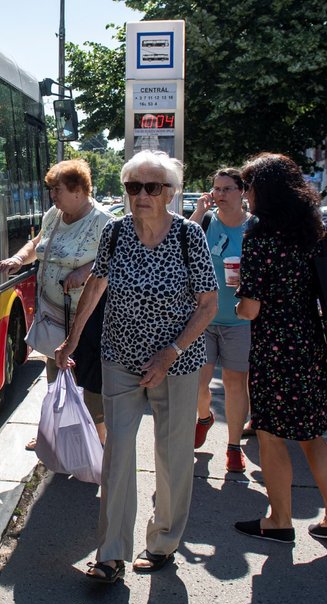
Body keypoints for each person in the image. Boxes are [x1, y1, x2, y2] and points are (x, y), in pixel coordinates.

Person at [56, 150, 217, 582]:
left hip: (176, 363)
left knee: (172, 456)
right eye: (133, 187)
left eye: (152, 187)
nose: (141, 195)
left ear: (169, 193)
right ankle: (110, 554)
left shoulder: (188, 236)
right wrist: (70, 341)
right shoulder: (115, 233)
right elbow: (95, 286)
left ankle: (163, 541)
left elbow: (207, 305)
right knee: (118, 453)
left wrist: (172, 352)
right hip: (120, 357)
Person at [233, 152, 327, 543]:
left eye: (247, 185)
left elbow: (250, 309)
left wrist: (238, 299)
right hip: (310, 343)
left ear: (262, 190)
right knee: (313, 434)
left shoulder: (259, 237)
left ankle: (279, 519)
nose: (245, 194)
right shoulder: (314, 232)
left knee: (270, 434)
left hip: (273, 347)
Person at [0, 159, 112, 448]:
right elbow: (37, 244)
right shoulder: (55, 214)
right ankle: (54, 432)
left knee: (87, 381)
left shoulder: (103, 221)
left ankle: (97, 444)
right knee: (55, 377)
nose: (52, 195)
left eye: (56, 189)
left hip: (86, 319)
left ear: (78, 190)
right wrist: (18, 259)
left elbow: (116, 261)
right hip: (53, 314)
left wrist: (84, 272)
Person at [189, 168, 252, 472]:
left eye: (227, 189)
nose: (221, 195)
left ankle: (233, 446)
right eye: (216, 189)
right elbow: (177, 245)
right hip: (204, 317)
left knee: (235, 383)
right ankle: (204, 417)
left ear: (242, 191)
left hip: (240, 319)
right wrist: (199, 210)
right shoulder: (205, 222)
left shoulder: (254, 227)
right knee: (199, 384)